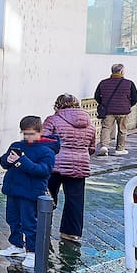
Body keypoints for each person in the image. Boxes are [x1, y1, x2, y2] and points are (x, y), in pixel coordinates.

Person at [0, 116, 60, 268]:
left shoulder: (47, 151)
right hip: (13, 190)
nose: (27, 137)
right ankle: (17, 246)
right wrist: (8, 159)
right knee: (12, 219)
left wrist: (21, 161)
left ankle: (32, 252)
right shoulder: (17, 145)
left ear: (39, 132)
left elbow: (43, 171)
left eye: (31, 134)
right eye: (24, 134)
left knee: (29, 223)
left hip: (31, 192)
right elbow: (4, 163)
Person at [43, 94, 97, 242]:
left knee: (47, 197)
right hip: (80, 166)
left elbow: (43, 142)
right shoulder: (89, 124)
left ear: (58, 105)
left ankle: (42, 226)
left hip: (54, 165)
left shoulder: (52, 120)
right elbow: (92, 148)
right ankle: (71, 233)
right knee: (75, 200)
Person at [94, 63, 137, 156]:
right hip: (123, 111)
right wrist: (128, 105)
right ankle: (120, 149)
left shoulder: (103, 82)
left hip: (108, 111)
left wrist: (103, 104)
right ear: (122, 71)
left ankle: (104, 146)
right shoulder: (129, 83)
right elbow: (135, 97)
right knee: (122, 130)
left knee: (106, 128)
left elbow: (97, 96)